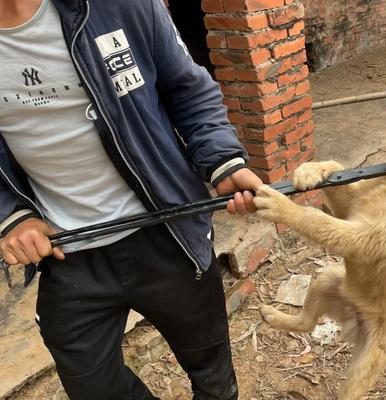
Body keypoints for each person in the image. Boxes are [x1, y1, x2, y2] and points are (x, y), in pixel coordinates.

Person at [0, 0, 262, 399]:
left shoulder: (121, 6)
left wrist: (222, 161)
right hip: (68, 250)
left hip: (167, 229)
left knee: (211, 372)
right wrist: (12, 216)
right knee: (93, 387)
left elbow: (189, 91)